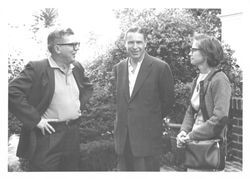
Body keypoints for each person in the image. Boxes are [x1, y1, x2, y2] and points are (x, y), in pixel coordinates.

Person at [9, 27, 93, 171]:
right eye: (72, 44)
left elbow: (87, 87)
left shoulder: (77, 67)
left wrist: (78, 105)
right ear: (57, 48)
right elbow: (11, 92)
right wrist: (36, 120)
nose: (76, 48)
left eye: (77, 44)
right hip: (48, 135)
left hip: (72, 133)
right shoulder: (37, 68)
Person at [113, 27, 174, 171]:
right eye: (131, 42)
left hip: (147, 140)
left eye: (139, 42)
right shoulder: (118, 68)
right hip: (123, 140)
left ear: (145, 43)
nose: (135, 47)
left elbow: (168, 101)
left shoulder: (160, 67)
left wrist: (149, 119)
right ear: (125, 44)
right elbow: (120, 102)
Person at [176, 34, 231, 171]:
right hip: (194, 145)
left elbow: (220, 118)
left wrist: (191, 136)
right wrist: (183, 131)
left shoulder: (219, 80)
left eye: (193, 50)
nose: (190, 53)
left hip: (209, 149)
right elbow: (191, 109)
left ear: (206, 53)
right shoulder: (198, 78)